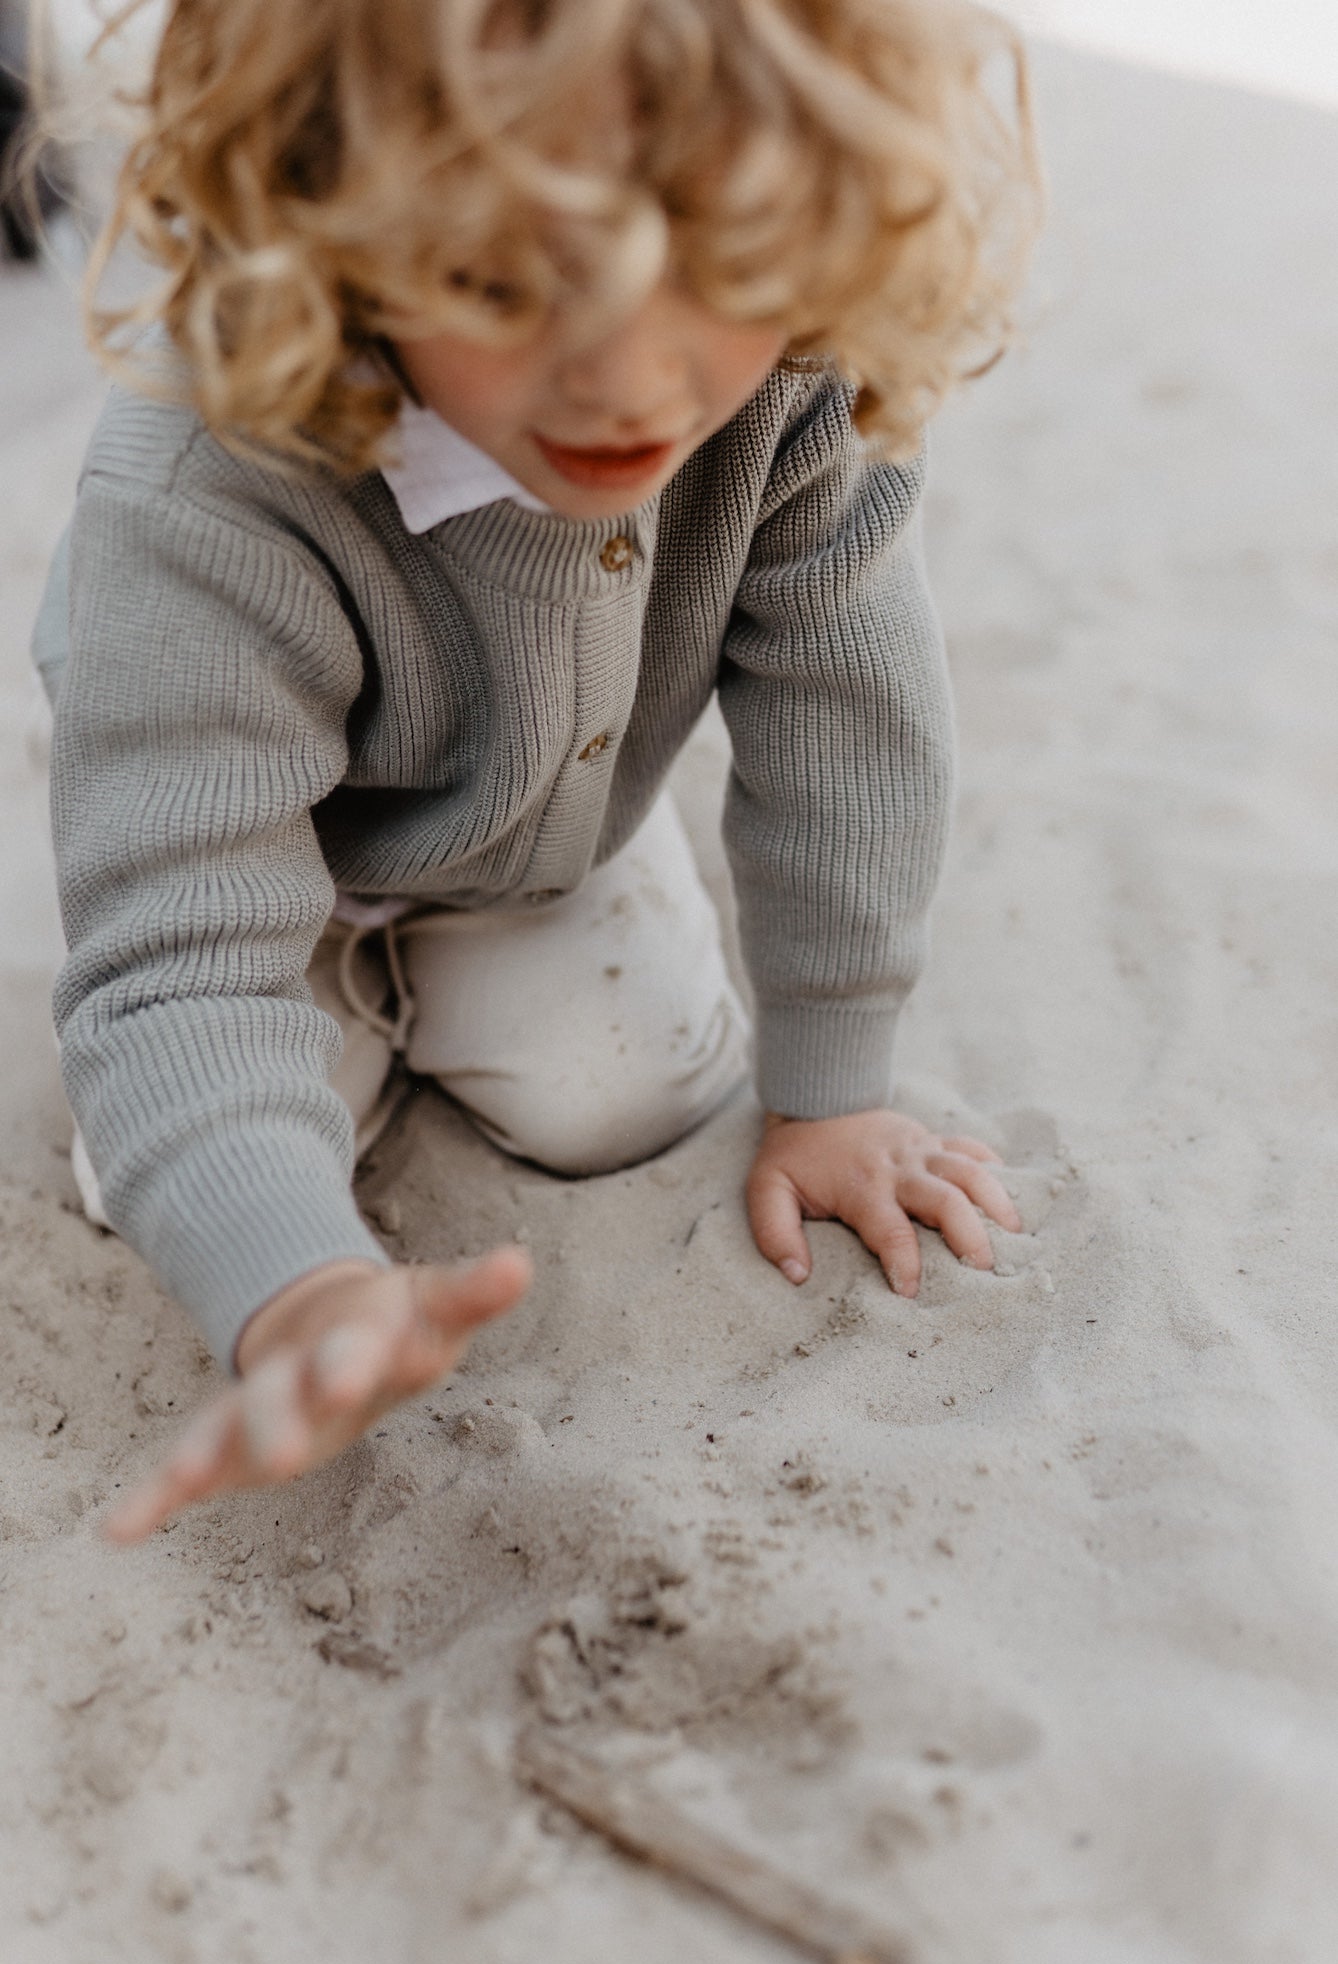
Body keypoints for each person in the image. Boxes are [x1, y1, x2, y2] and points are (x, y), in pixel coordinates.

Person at [33, 0, 1039, 1543]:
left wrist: (832, 1087)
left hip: (535, 815)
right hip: (255, 846)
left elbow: (851, 717)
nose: (628, 383)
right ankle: (347, 996)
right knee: (177, 1174)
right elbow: (175, 959)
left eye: (717, 271)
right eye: (501, 284)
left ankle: (507, 896)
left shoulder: (794, 377)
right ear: (332, 212)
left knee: (621, 1096)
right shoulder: (204, 485)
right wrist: (302, 1293)